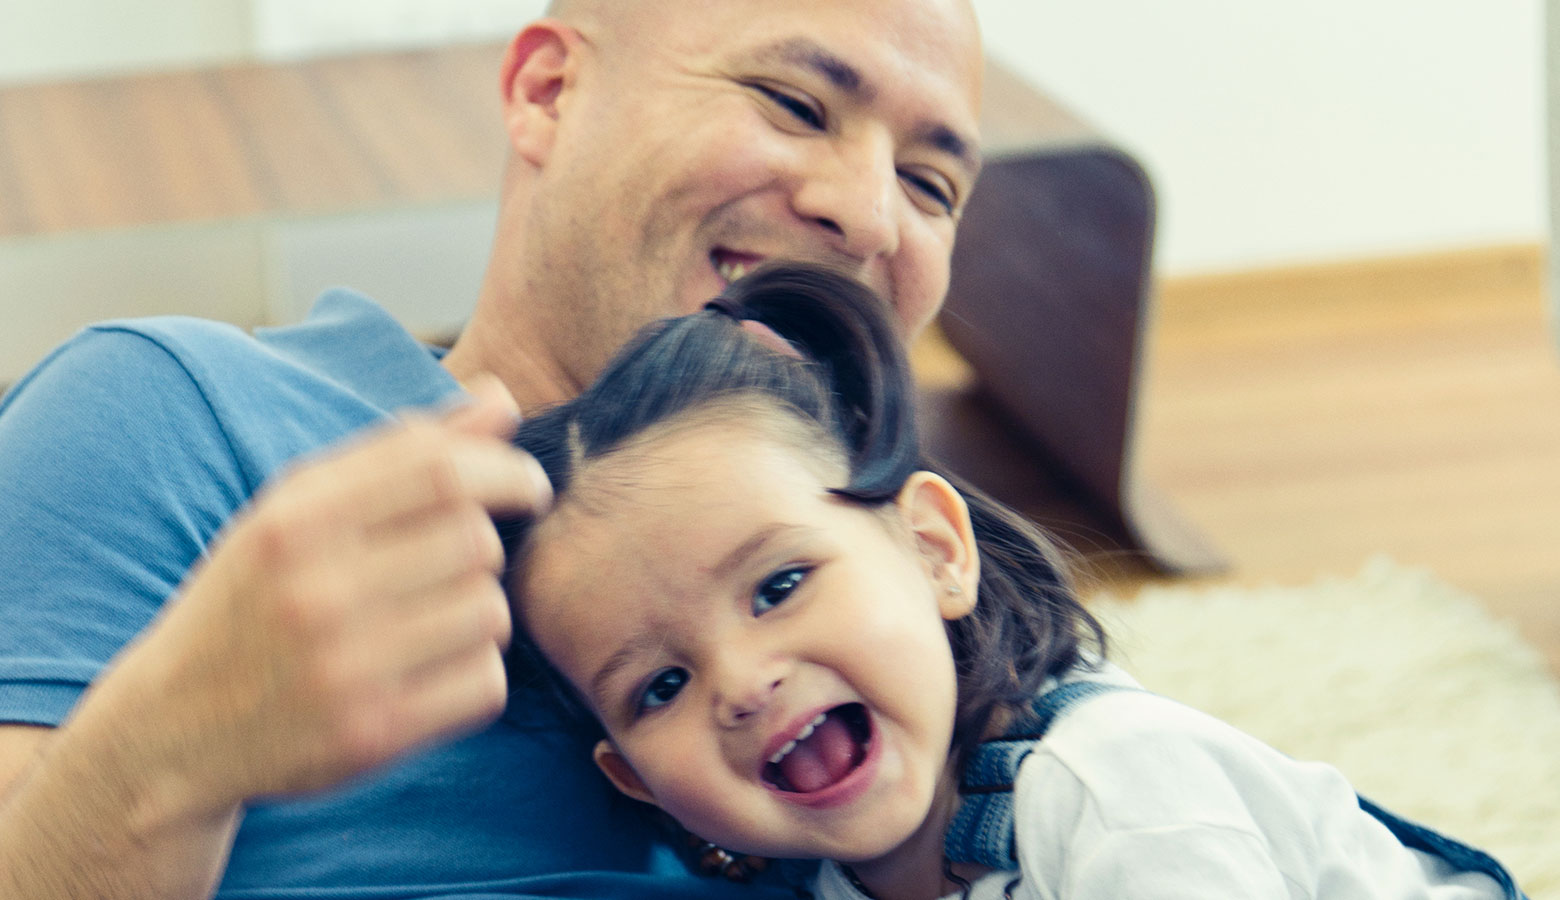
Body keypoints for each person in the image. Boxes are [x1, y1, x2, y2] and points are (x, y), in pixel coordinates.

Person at [0, 0, 983, 896]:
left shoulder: (895, 567)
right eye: (794, 104)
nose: (868, 213)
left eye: (928, 184)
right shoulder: (175, 413)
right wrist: (173, 745)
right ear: (548, 94)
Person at [501, 263, 1530, 900]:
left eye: (777, 588)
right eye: (661, 688)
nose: (740, 680)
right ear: (635, 778)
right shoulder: (820, 875)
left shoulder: (1116, 790)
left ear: (934, 551)